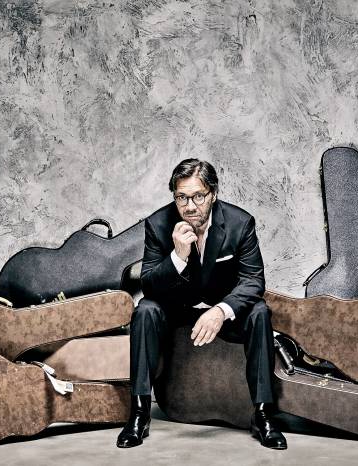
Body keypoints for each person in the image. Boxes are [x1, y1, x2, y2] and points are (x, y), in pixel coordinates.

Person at [116, 158, 286, 450]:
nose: (190, 206)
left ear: (213, 194)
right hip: (177, 311)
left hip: (222, 311)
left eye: (198, 196)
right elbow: (149, 286)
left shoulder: (240, 223)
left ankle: (263, 415)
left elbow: (253, 281)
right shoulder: (158, 224)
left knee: (259, 311)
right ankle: (140, 413)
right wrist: (177, 257)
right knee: (145, 310)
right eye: (182, 197)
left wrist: (221, 311)